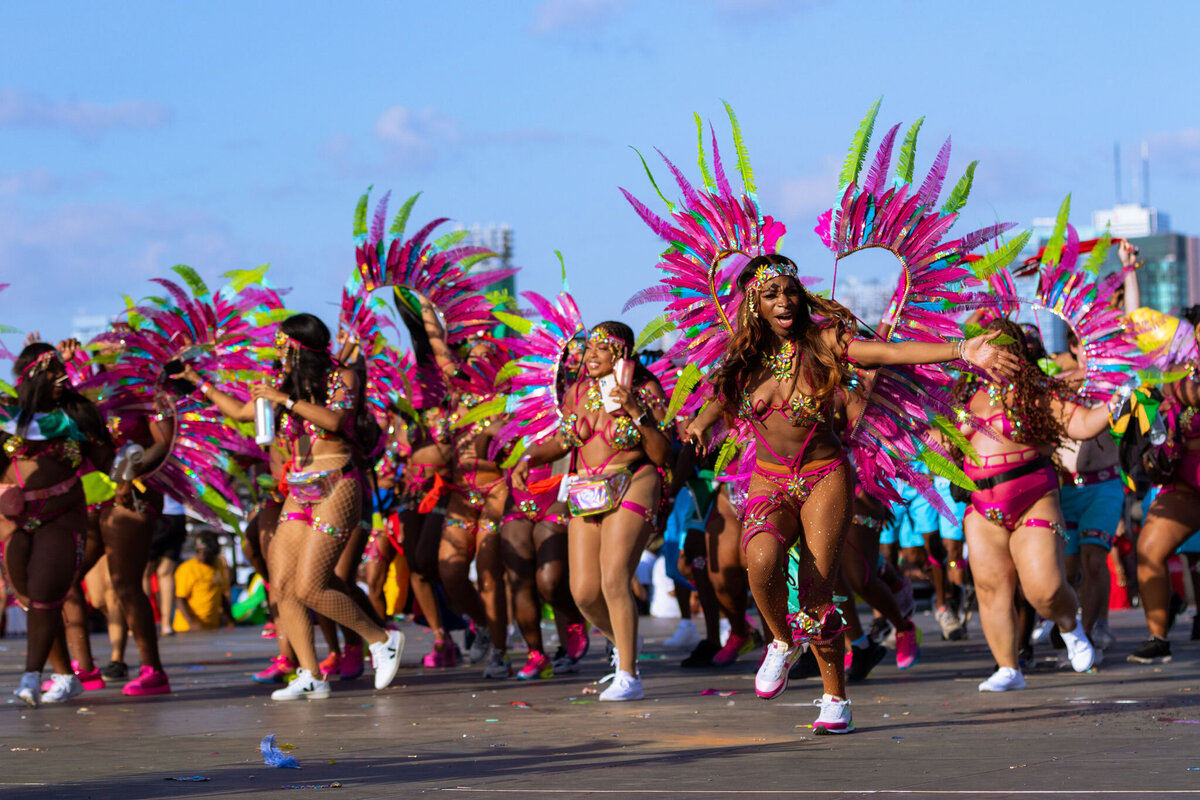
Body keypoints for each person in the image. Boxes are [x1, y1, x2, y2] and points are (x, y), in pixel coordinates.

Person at [683, 255, 1018, 733]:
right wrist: (698, 425)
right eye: (771, 293)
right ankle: (781, 640)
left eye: (790, 291)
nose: (784, 300)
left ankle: (834, 698)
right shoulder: (743, 360)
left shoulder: (823, 343)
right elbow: (719, 399)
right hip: (770, 479)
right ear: (754, 304)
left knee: (818, 590)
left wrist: (962, 350)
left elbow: (888, 355)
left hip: (824, 476)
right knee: (759, 561)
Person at [187, 313, 403, 700]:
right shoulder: (282, 385)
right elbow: (239, 412)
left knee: (312, 587)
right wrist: (196, 381)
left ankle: (381, 640)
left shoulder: (343, 379)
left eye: (282, 343)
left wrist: (284, 400)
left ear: (299, 346)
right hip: (298, 491)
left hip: (338, 485)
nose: (277, 350)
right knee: (283, 585)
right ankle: (310, 673)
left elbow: (336, 421)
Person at [512, 321, 673, 701]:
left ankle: (629, 675)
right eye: (589, 348)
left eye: (603, 348)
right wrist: (527, 456)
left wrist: (636, 411)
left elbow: (663, 454)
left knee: (614, 578)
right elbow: (562, 441)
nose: (592, 355)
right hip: (588, 488)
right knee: (583, 591)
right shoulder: (578, 393)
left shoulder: (645, 390)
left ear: (622, 353)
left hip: (635, 480)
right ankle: (624, 648)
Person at [952, 317, 1113, 691]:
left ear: (1015, 353)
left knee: (1044, 590)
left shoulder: (1036, 392)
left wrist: (1119, 402)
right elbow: (939, 444)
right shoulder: (962, 397)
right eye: (983, 345)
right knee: (992, 590)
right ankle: (1008, 667)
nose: (989, 353)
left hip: (1033, 499)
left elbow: (1085, 423)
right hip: (981, 509)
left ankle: (1071, 627)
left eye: (998, 346)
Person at [0, 343, 114, 706]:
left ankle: (30, 678)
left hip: (63, 515)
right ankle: (64, 675)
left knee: (46, 595)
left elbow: (108, 462)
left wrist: (129, 461)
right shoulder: (7, 417)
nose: (61, 377)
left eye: (63, 369)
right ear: (32, 375)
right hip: (14, 520)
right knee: (29, 600)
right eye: (52, 370)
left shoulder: (77, 414)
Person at [173, 532, 231, 632]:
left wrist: (231, 619)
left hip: (212, 628)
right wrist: (192, 623)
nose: (202, 554)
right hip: (188, 630)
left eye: (205, 550)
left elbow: (221, 594)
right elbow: (179, 599)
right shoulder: (187, 568)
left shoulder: (219, 564)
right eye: (198, 550)